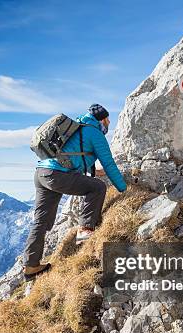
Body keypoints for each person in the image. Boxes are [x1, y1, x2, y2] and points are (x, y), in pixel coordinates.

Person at [22, 104, 127, 278]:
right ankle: (85, 233)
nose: (109, 124)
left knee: (41, 221)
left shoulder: (75, 128)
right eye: (108, 119)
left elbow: (77, 157)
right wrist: (123, 189)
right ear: (101, 119)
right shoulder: (95, 133)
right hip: (57, 175)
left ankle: (31, 266)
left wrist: (96, 172)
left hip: (41, 173)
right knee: (97, 188)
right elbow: (108, 163)